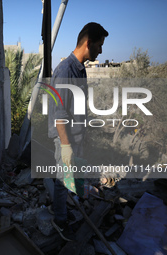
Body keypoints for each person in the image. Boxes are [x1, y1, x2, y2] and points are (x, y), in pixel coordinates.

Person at [48, 22, 108, 241]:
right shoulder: (65, 71)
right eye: (99, 46)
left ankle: (68, 207)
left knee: (73, 177)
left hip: (77, 135)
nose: (101, 51)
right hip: (66, 138)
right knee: (62, 181)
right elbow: (59, 113)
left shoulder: (80, 69)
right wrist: (65, 146)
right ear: (88, 43)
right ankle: (60, 220)